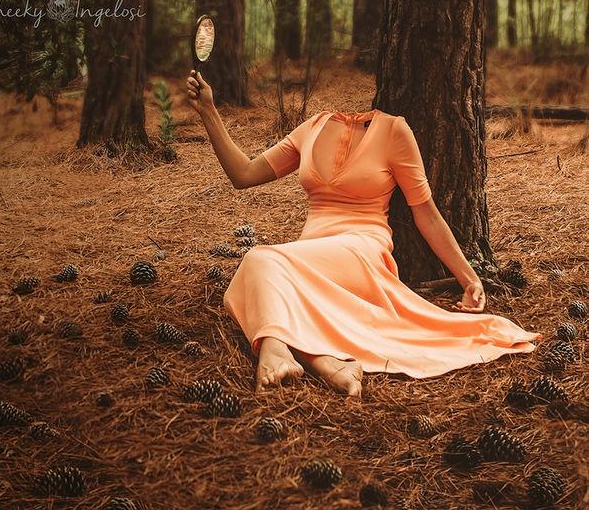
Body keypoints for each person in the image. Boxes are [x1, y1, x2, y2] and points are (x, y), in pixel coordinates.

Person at [186, 71, 540, 398]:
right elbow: (244, 174)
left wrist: (469, 278)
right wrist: (208, 111)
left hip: (361, 250)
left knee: (258, 260)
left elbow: (427, 215)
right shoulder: (313, 127)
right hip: (310, 253)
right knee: (260, 268)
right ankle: (325, 364)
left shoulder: (394, 131)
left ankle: (275, 345)